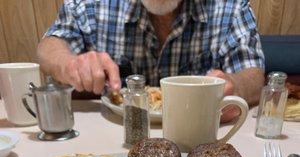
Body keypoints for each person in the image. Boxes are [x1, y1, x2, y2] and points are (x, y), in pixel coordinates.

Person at [37, 0, 265, 122]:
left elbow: (254, 75)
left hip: (197, 136)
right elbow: (49, 47)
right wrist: (69, 63)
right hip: (116, 133)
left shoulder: (231, 6)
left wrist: (236, 84)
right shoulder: (90, 4)